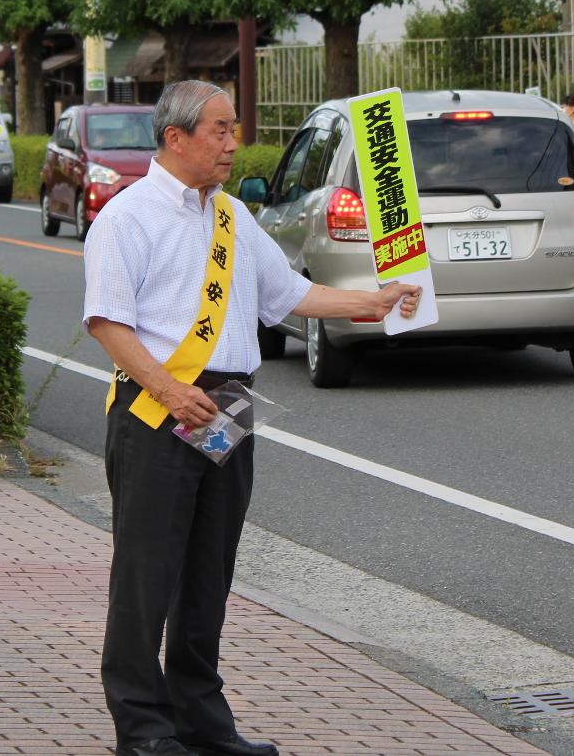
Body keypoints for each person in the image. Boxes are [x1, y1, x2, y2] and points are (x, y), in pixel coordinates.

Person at [85, 81, 418, 756]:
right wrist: (170, 389)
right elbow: (107, 323)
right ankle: (142, 727)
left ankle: (201, 717)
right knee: (146, 573)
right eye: (220, 129)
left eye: (234, 129)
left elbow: (290, 293)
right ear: (175, 136)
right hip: (157, 406)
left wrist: (370, 302)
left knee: (210, 568)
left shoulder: (233, 215)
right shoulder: (128, 216)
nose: (233, 142)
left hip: (229, 404)